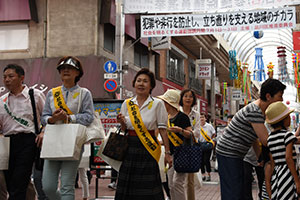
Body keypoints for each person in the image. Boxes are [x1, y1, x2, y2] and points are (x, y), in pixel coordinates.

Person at [216, 78, 286, 200]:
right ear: (268, 96)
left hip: (235, 154)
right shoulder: (255, 111)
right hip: (228, 152)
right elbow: (266, 140)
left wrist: (260, 158)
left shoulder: (260, 111)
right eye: (280, 96)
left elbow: (254, 138)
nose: (282, 100)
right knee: (233, 192)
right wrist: (291, 140)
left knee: (238, 189)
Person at [41, 56, 94, 200]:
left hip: (74, 141)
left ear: (78, 73)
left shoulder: (84, 93)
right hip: (53, 140)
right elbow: (43, 117)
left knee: (66, 185)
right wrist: (52, 119)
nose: (65, 71)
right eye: (62, 68)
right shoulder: (52, 93)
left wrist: (69, 118)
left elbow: (89, 117)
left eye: (70, 68)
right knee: (48, 186)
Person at [115, 68, 172, 200]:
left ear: (151, 85)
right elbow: (123, 130)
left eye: (145, 81)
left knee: (148, 187)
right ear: (134, 84)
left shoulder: (157, 104)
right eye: (139, 81)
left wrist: (168, 153)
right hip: (129, 149)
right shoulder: (127, 103)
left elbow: (163, 129)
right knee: (128, 186)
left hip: (149, 149)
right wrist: (122, 122)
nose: (141, 84)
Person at [0, 64, 45, 199]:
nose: (7, 80)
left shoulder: (35, 95)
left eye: (11, 76)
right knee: (10, 181)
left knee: (19, 180)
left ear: (21, 78)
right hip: (7, 142)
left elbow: (46, 118)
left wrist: (44, 132)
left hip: (28, 141)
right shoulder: (2, 101)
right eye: (4, 77)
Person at [158, 89, 193, 200]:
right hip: (172, 155)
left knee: (177, 183)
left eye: (165, 101)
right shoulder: (165, 117)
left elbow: (190, 134)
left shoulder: (183, 117)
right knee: (171, 185)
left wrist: (181, 131)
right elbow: (167, 138)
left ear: (169, 103)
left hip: (183, 155)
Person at [265, 101, 300, 199]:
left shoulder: (270, 138)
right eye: (288, 116)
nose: (290, 119)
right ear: (283, 120)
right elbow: (288, 158)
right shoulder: (287, 135)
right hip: (288, 173)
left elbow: (272, 160)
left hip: (278, 174)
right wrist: (297, 180)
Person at [179, 89, 201, 200]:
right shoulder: (176, 112)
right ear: (181, 98)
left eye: (190, 96)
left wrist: (184, 132)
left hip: (190, 149)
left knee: (190, 180)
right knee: (176, 180)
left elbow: (197, 132)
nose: (188, 98)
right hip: (177, 147)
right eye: (185, 96)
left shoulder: (196, 114)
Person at [199, 112, 215, 181]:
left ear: (205, 118)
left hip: (207, 145)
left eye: (202, 117)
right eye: (200, 117)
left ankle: (208, 175)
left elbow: (214, 133)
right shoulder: (197, 126)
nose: (201, 119)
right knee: (201, 161)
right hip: (200, 145)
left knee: (206, 160)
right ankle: (203, 175)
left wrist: (210, 140)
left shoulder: (209, 126)